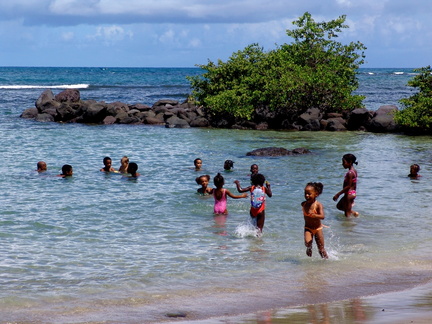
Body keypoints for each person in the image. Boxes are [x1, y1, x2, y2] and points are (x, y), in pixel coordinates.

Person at [302, 182, 328, 259]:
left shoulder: (318, 205)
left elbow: (322, 216)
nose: (307, 195)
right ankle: (309, 248)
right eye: (305, 193)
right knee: (307, 243)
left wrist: (314, 215)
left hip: (318, 229)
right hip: (308, 228)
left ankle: (326, 262)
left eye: (309, 194)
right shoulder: (303, 204)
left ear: (316, 194)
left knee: (321, 250)